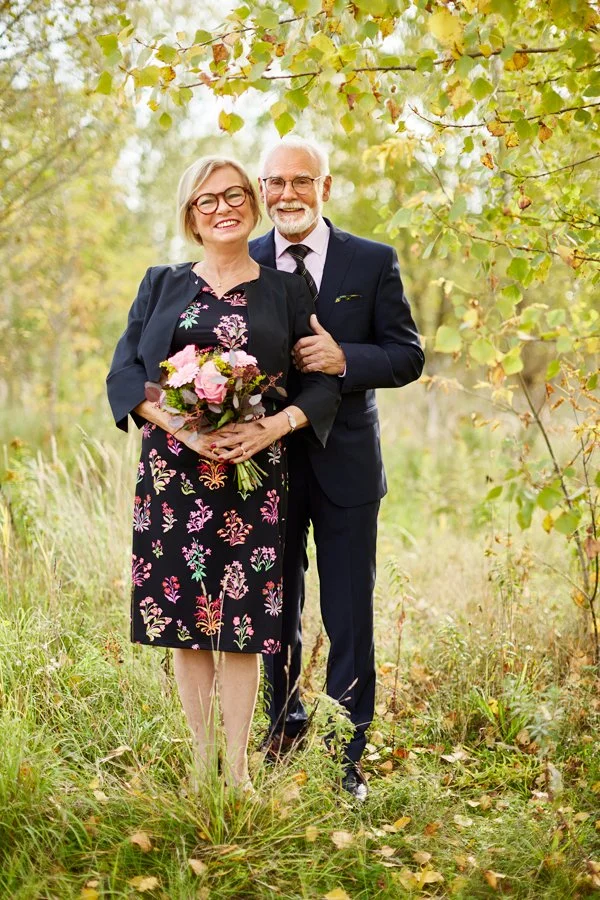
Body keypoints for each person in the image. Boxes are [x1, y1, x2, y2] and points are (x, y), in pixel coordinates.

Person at [106, 156, 340, 793]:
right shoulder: (160, 283)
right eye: (207, 201)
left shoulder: (288, 290)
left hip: (253, 478)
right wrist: (180, 426)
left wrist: (270, 427)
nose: (223, 208)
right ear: (191, 214)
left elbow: (320, 386)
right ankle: (202, 759)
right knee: (186, 621)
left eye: (235, 195)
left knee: (242, 624)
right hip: (173, 477)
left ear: (253, 204)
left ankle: (237, 770)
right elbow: (125, 373)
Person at [246, 137, 424, 800]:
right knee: (275, 610)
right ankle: (283, 733)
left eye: (300, 180)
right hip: (265, 469)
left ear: (327, 184)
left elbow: (406, 357)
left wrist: (343, 358)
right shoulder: (246, 260)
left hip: (347, 469)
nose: (286, 194)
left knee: (349, 614)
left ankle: (344, 756)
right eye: (274, 182)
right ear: (262, 189)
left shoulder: (371, 261)